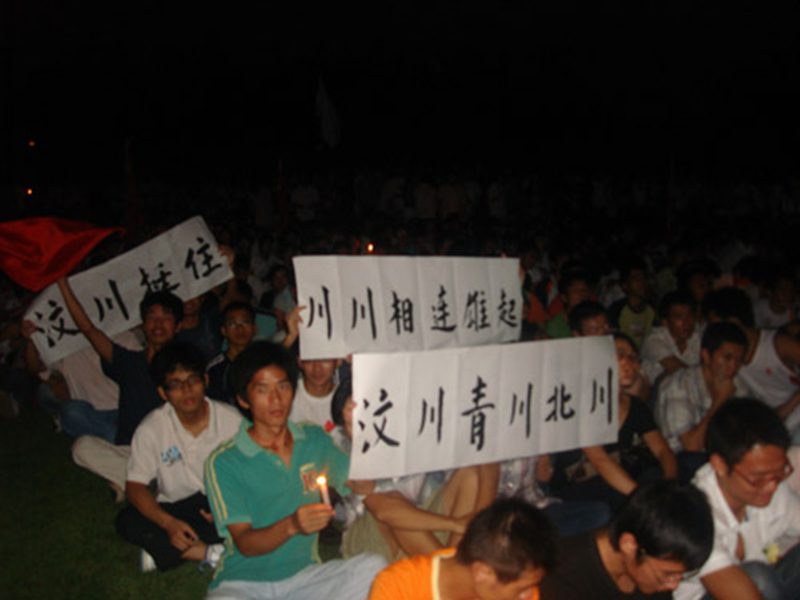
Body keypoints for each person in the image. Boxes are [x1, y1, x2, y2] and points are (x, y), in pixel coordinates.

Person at [203, 341, 385, 599]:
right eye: (263, 390)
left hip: (304, 578)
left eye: (283, 386)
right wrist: (292, 525)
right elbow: (245, 543)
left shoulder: (312, 439)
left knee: (373, 569)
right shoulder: (224, 461)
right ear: (243, 400)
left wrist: (358, 435)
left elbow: (362, 485)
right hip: (243, 583)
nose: (276, 399)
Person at [115, 341, 242, 571]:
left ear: (205, 380)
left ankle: (178, 551)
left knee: (263, 512)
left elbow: (252, 474)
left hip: (222, 502)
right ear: (163, 393)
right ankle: (210, 551)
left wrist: (228, 507)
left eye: (193, 380)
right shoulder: (151, 428)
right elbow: (135, 486)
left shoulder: (231, 420)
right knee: (127, 521)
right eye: (176, 384)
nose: (187, 390)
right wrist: (170, 524)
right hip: (178, 508)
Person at [57, 275, 183, 497]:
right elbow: (89, 329)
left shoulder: (185, 368)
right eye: (152, 317)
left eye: (166, 318)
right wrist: (62, 284)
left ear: (178, 326)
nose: (158, 324)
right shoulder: (128, 362)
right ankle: (148, 484)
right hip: (131, 449)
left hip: (169, 451)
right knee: (81, 447)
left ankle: (133, 482)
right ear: (143, 325)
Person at [673, 398, 800, 600]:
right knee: (757, 577)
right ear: (720, 465)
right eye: (757, 479)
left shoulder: (773, 486)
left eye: (780, 473)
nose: (772, 486)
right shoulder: (694, 514)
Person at [556, 333, 677, 510]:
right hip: (580, 483)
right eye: (619, 355)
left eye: (633, 358)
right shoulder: (581, 405)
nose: (628, 363)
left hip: (618, 479)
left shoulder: (635, 406)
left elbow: (662, 450)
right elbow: (600, 460)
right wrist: (643, 500)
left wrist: (670, 484)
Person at [540, 480, 714, 599]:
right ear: (629, 545)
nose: (673, 585)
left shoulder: (655, 563)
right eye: (668, 574)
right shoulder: (560, 577)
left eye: (681, 575)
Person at [368, 497, 557, 600]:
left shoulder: (520, 587)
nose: (530, 596)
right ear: (482, 573)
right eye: (522, 589)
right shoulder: (399, 587)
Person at [655, 321, 750, 480]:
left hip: (719, 457)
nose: (733, 366)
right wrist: (720, 401)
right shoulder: (678, 385)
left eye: (738, 360)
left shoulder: (738, 387)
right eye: (727, 358)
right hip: (677, 462)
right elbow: (691, 446)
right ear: (706, 355)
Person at [703, 286, 800, 437]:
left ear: (734, 321)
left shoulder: (778, 344)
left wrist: (787, 408)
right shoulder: (721, 355)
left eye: (714, 324)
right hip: (771, 422)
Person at [641, 291, 701, 384]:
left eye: (690, 316)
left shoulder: (698, 337)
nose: (687, 323)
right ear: (665, 322)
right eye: (679, 317)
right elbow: (677, 369)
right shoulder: (653, 340)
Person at [609, 259, 657, 348]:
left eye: (643, 278)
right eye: (636, 279)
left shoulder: (652, 308)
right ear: (625, 285)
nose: (641, 282)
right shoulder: (616, 309)